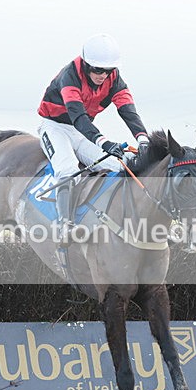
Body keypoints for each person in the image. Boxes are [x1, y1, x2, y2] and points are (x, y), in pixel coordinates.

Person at [37, 33, 150, 240]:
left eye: (108, 71)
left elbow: (128, 111)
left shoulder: (114, 80)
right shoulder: (69, 76)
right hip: (54, 127)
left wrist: (143, 139)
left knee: (119, 165)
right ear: (87, 64)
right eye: (98, 70)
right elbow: (78, 116)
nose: (103, 76)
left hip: (80, 131)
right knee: (68, 169)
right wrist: (104, 143)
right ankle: (64, 226)